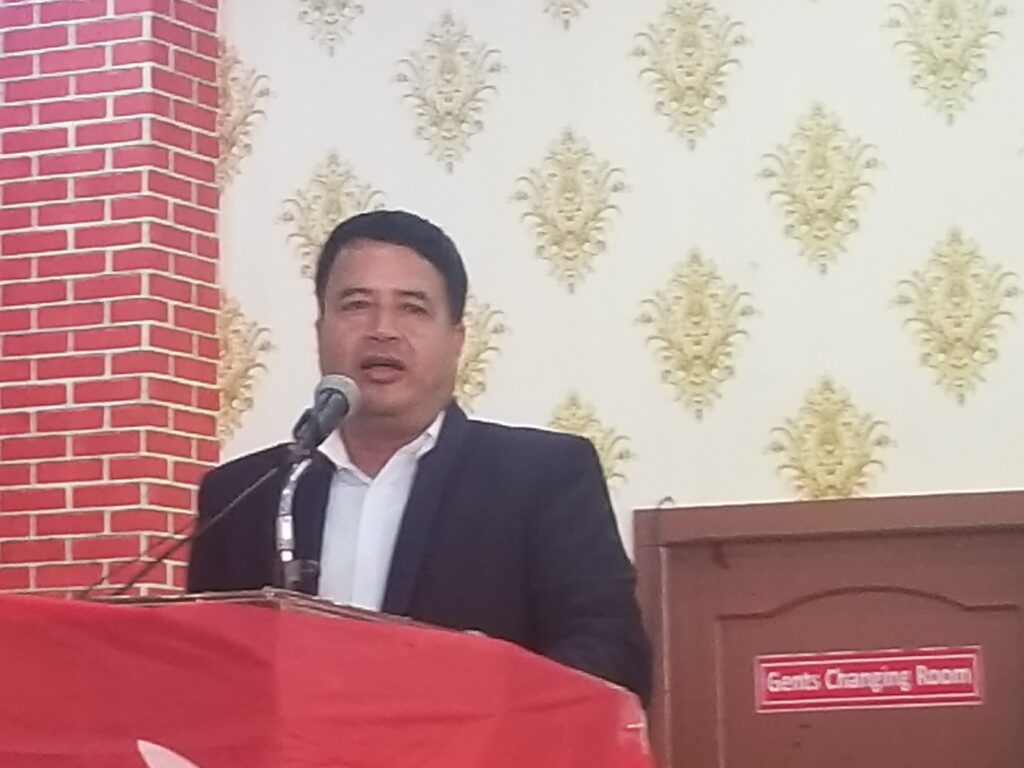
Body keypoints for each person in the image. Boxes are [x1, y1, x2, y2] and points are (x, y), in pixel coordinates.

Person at [187, 209, 652, 705]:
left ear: (457, 340)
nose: (382, 330)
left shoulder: (542, 478)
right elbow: (202, 676)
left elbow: (612, 661)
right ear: (320, 329)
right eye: (356, 305)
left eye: (412, 308)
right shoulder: (247, 495)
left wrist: (474, 694)